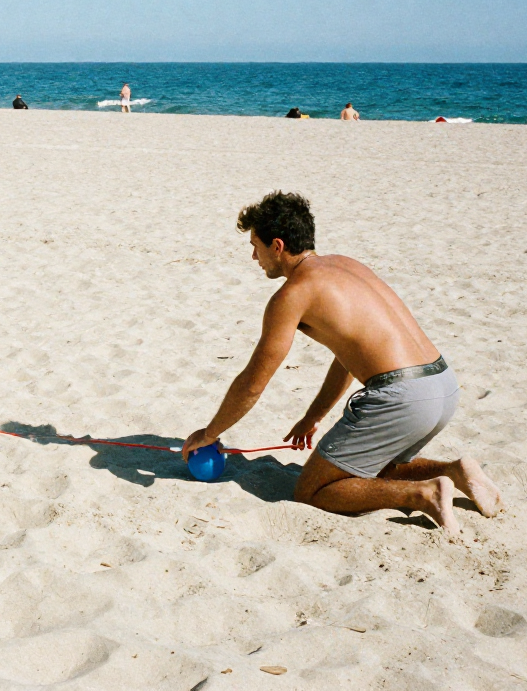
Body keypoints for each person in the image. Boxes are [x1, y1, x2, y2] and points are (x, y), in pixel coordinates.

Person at [181, 191, 503, 536]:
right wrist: (314, 416)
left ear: (277, 245)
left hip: (403, 396)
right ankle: (456, 471)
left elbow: (253, 383)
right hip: (442, 383)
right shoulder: (347, 266)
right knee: (367, 467)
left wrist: (210, 433)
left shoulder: (292, 295)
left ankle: (423, 493)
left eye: (255, 245)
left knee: (312, 490)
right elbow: (348, 357)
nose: (253, 256)